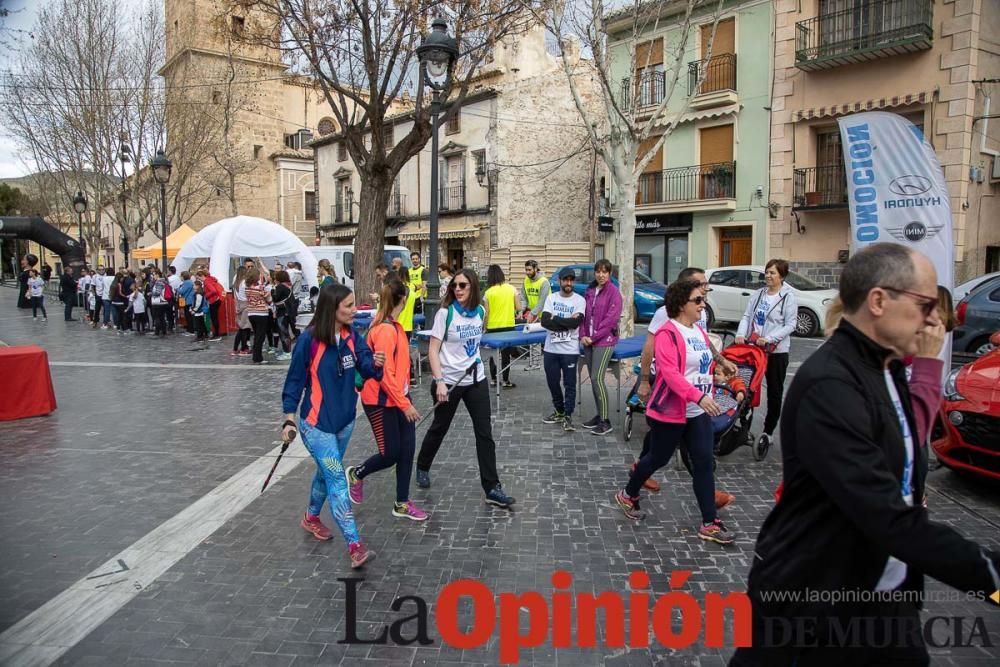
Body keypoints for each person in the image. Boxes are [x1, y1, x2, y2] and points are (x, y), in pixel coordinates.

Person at [729, 244, 1000, 666]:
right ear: (878, 301)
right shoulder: (831, 384)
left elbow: (909, 465)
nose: (935, 318)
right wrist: (993, 576)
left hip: (884, 600)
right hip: (812, 608)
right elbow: (887, 514)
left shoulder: (888, 368)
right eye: (925, 303)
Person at [614, 279, 735, 546]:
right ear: (682, 304)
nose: (703, 305)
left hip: (698, 411)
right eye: (698, 300)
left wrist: (721, 367)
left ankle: (709, 522)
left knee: (703, 463)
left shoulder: (698, 330)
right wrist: (698, 396)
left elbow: (704, 360)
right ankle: (628, 492)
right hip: (672, 410)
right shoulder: (668, 333)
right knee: (657, 458)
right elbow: (669, 374)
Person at [281, 283, 384, 569]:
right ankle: (355, 546)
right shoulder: (309, 341)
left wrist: (376, 364)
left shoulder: (352, 336)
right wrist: (289, 417)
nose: (355, 310)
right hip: (316, 426)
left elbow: (365, 367)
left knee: (327, 475)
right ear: (332, 308)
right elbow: (294, 380)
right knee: (338, 479)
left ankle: (311, 518)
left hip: (345, 422)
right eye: (349, 306)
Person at [414, 268, 516, 509]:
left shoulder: (480, 311)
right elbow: (433, 350)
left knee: (484, 433)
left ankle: (492, 487)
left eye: (462, 286)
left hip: (475, 378)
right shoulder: (445, 313)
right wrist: (439, 381)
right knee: (440, 427)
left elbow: (474, 344)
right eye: (455, 286)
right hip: (449, 381)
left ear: (472, 288)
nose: (457, 289)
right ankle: (422, 465)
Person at [636, 267, 736, 507]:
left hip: (694, 402)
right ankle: (638, 476)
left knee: (695, 453)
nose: (705, 289)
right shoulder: (666, 315)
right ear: (684, 294)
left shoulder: (698, 312)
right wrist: (644, 380)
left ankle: (708, 508)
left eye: (705, 286)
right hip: (672, 395)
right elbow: (650, 347)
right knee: (662, 449)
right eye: (701, 285)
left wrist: (719, 364)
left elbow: (702, 341)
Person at [347, 279, 429, 522]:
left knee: (407, 451)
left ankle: (402, 502)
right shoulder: (384, 329)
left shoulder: (393, 326)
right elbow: (385, 374)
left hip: (399, 396)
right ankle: (356, 474)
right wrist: (405, 404)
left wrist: (405, 397)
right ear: (403, 300)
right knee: (391, 452)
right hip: (381, 400)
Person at [735, 259, 798, 454]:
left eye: (772, 273)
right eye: (767, 272)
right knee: (748, 388)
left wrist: (769, 338)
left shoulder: (788, 297)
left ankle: (768, 431)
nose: (768, 276)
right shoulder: (758, 294)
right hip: (754, 350)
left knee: (774, 392)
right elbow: (747, 316)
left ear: (782, 276)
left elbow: (790, 325)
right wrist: (740, 333)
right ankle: (744, 426)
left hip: (776, 352)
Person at [539, 267, 586, 431]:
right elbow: (545, 321)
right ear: (560, 281)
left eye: (571, 280)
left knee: (570, 384)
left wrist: (556, 319)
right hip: (551, 349)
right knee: (552, 382)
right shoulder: (551, 298)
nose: (568, 283)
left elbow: (575, 324)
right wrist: (566, 321)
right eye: (565, 279)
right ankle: (559, 411)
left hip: (569, 351)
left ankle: (568, 415)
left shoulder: (579, 300)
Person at [579, 258, 622, 435]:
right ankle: (599, 415)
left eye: (605, 272)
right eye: (598, 271)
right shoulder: (590, 291)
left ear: (610, 273)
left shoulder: (614, 293)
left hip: (604, 341)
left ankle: (606, 421)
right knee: (593, 379)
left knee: (597, 378)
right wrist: (583, 335)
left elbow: (610, 320)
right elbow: (583, 315)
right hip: (588, 341)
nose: (601, 275)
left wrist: (594, 337)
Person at [483, 264, 523, 388]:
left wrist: (484, 327)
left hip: (493, 327)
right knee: (506, 355)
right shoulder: (511, 289)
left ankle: (494, 379)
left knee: (493, 355)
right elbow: (518, 308)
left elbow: (486, 313)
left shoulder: (488, 292)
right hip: (508, 326)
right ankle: (506, 380)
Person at [244, 268, 272, 364]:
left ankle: (256, 356)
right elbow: (268, 299)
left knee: (256, 335)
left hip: (251, 312)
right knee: (260, 336)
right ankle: (258, 357)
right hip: (261, 312)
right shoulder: (260, 287)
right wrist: (269, 293)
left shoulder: (247, 288)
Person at [272, 270, 295, 361]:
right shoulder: (288, 285)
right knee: (287, 332)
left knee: (283, 333)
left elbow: (275, 298)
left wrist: (272, 290)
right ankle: (288, 351)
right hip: (289, 312)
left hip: (282, 312)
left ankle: (287, 352)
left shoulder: (280, 287)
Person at [231, 266, 252, 357]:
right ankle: (243, 348)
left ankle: (236, 348)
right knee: (244, 328)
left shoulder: (236, 283)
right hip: (245, 304)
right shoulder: (244, 283)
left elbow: (235, 297)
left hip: (239, 304)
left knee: (242, 328)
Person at [198, 270, 224, 340]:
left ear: (202, 276)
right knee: (215, 317)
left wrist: (206, 295)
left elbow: (213, 291)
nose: (199, 279)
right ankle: (216, 333)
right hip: (217, 299)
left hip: (213, 300)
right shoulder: (211, 279)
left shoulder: (206, 281)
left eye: (199, 278)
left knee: (214, 318)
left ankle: (216, 334)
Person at [149, 270, 170, 336]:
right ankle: (163, 331)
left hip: (158, 302)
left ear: (157, 275)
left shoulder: (159, 282)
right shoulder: (162, 281)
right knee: (162, 317)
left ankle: (157, 331)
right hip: (162, 302)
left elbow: (157, 292)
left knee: (157, 317)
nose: (153, 276)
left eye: (154, 274)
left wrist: (150, 293)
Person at [177, 271, 195, 336]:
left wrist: (178, 289)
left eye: (181, 276)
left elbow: (182, 291)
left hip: (188, 301)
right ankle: (190, 329)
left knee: (188, 316)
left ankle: (191, 330)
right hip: (188, 300)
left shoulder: (187, 282)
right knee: (188, 316)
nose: (180, 277)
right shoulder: (189, 282)